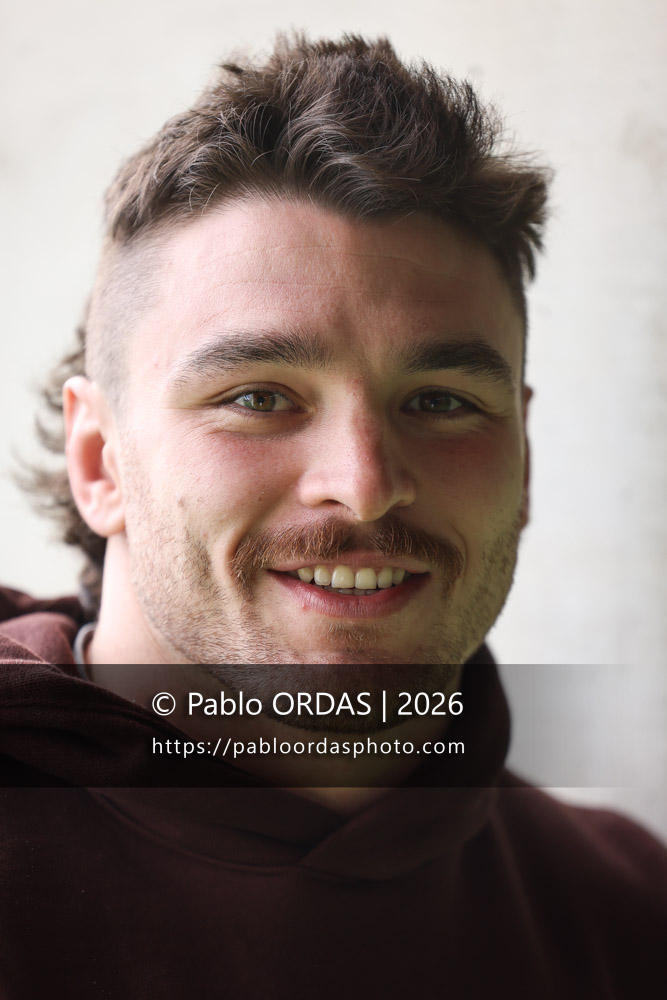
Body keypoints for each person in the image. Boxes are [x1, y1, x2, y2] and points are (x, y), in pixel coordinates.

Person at [1, 32, 665, 999]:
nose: (363, 485)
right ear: (100, 461)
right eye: (258, 396)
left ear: (521, 460)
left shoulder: (629, 917)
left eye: (439, 401)